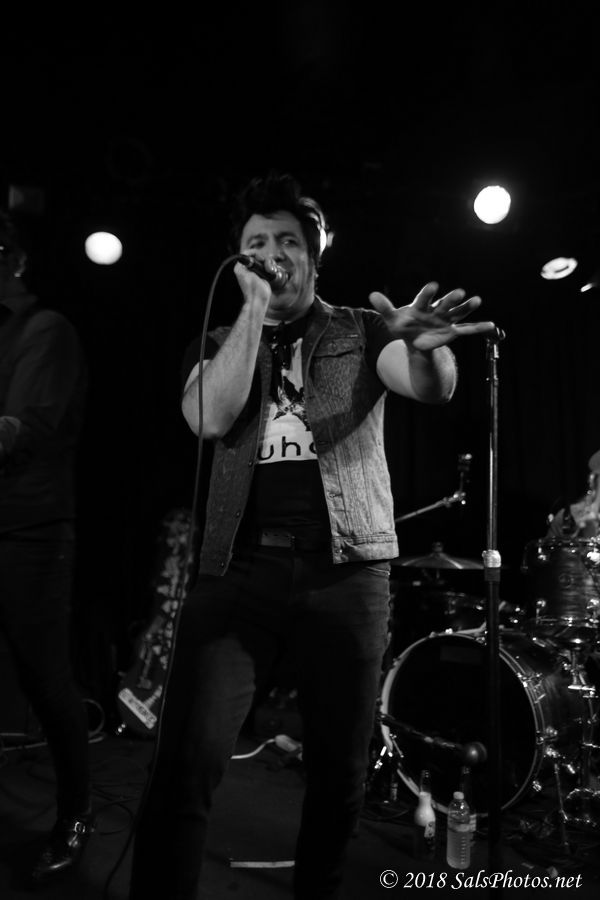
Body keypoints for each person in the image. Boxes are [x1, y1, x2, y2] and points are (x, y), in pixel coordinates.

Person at [128, 173, 496, 900]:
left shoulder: (361, 329)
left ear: (315, 255)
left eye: (288, 242)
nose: (273, 254)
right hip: (237, 569)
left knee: (338, 771)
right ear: (239, 258)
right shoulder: (217, 340)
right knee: (186, 759)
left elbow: (431, 385)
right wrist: (253, 310)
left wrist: (425, 349)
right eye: (257, 243)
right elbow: (208, 418)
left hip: (347, 572)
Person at [0, 210, 92, 885]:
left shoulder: (45, 330)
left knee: (45, 680)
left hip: (27, 534)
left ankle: (75, 815)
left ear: (14, 257)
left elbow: (19, 432)